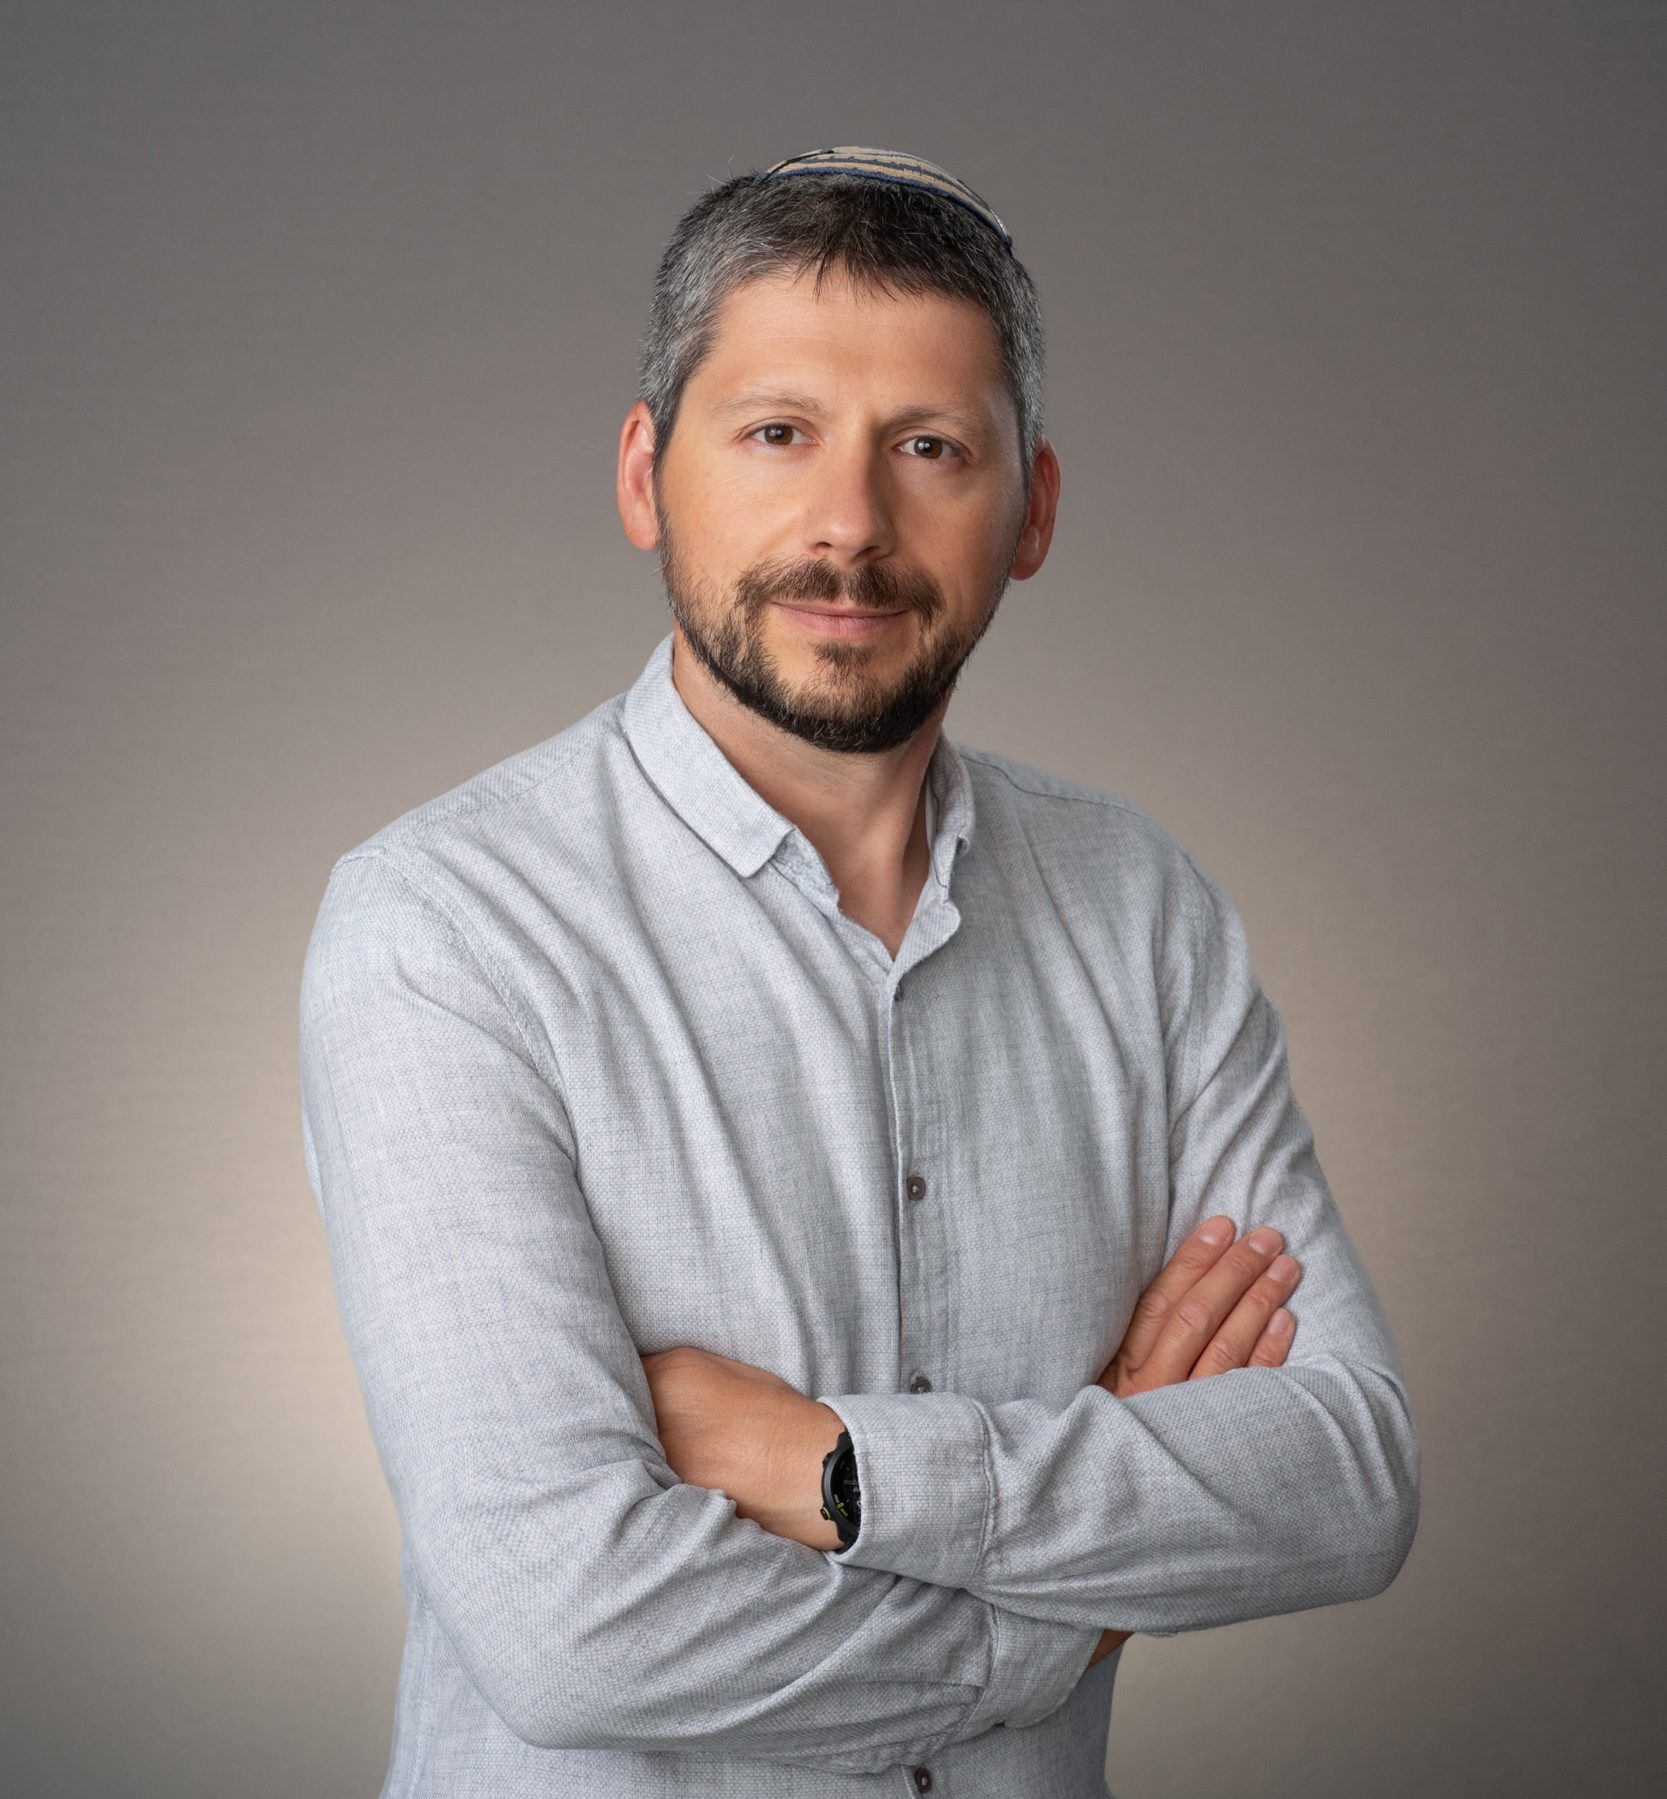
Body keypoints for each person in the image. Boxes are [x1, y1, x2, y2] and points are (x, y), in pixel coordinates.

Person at [300, 147, 1418, 1799]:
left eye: (930, 447)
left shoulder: (1142, 911)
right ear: (644, 477)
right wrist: (1070, 1611)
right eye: (778, 433)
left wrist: (838, 1470)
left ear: (1032, 510)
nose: (851, 525)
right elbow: (570, 1630)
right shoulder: (447, 928)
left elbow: (1349, 1474)